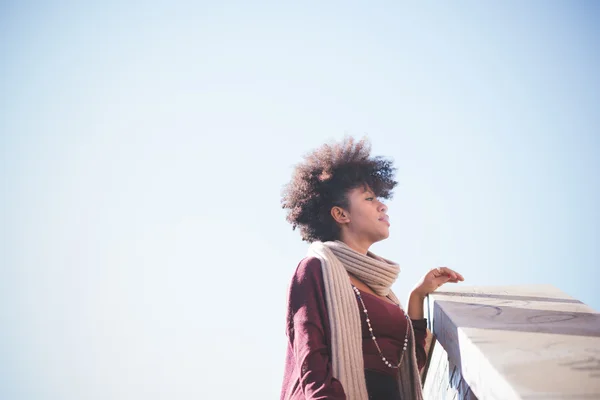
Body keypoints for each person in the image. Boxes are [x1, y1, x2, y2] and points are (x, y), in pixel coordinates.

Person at [280, 137, 464, 400]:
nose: (383, 205)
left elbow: (409, 364)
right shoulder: (314, 269)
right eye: (369, 198)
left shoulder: (385, 293)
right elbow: (311, 359)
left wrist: (418, 296)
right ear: (341, 215)